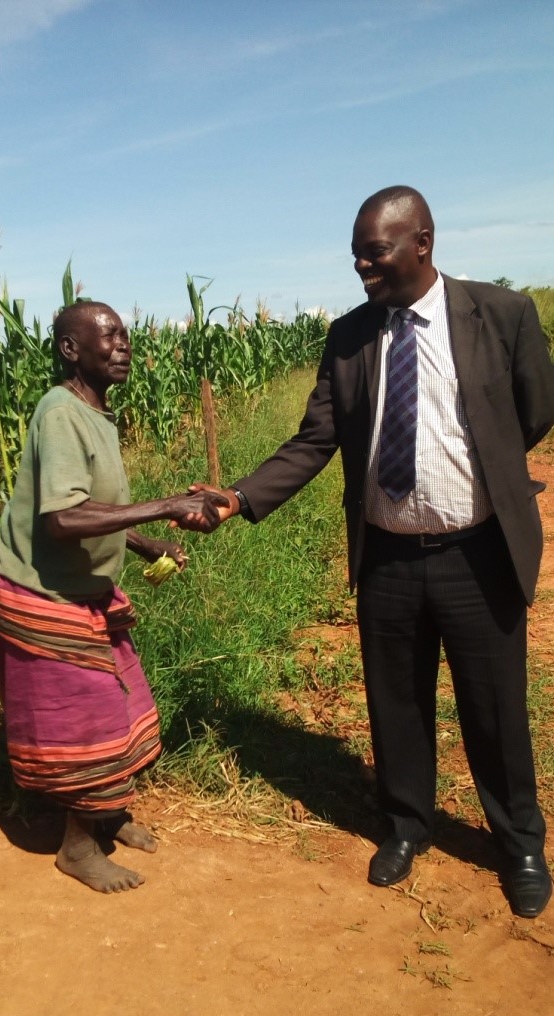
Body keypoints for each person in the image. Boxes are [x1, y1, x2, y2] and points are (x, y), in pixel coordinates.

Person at [184, 186, 554, 918]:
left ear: (421, 242)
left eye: (373, 249)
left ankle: (518, 843)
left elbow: (534, 411)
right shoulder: (350, 335)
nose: (360, 264)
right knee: (395, 705)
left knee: (494, 710)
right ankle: (406, 825)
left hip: (476, 554)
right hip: (386, 557)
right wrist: (238, 496)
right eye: (355, 251)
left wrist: (489, 476)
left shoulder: (499, 315)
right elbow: (316, 437)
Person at [0, 301, 226, 893]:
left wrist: (143, 544)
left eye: (125, 334)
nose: (124, 344)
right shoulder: (60, 412)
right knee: (89, 718)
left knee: (126, 701)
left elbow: (96, 508)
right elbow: (64, 519)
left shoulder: (96, 413)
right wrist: (169, 503)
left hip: (83, 592)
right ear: (71, 349)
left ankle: (107, 814)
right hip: (39, 594)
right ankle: (78, 846)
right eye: (109, 335)